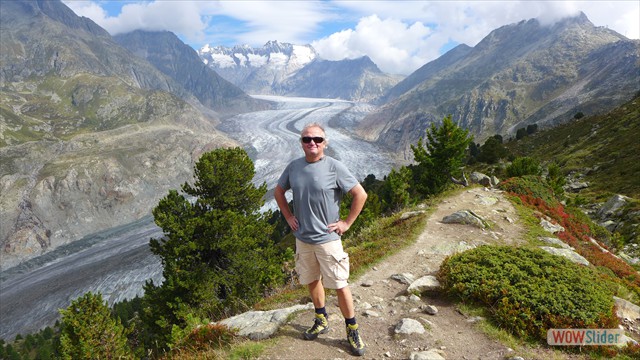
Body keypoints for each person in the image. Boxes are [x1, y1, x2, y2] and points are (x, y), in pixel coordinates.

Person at [274, 122, 368, 356]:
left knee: (339, 284)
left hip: (328, 239)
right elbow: (278, 191)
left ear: (325, 143)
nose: (312, 143)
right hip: (303, 238)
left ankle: (352, 328)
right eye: (307, 139)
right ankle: (321, 318)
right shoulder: (293, 167)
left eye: (317, 139)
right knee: (311, 279)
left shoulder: (335, 167)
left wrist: (346, 223)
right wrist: (288, 216)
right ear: (301, 143)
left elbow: (360, 194)